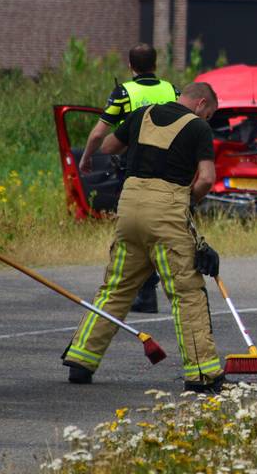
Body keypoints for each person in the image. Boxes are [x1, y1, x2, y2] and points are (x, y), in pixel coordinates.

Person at [62, 82, 227, 393]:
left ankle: (80, 360)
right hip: (166, 213)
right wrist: (189, 200)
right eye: (209, 114)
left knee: (116, 287)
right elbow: (206, 178)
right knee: (186, 292)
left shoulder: (142, 114)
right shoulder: (198, 128)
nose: (207, 119)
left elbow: (108, 147)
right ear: (202, 104)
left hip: (129, 209)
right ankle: (202, 374)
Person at [79, 43, 178, 314]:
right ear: (156, 65)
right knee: (161, 229)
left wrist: (86, 157)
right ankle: (153, 291)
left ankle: (140, 293)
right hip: (169, 171)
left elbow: (98, 134)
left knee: (134, 230)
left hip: (136, 171)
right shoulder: (171, 91)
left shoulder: (124, 93)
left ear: (130, 66)